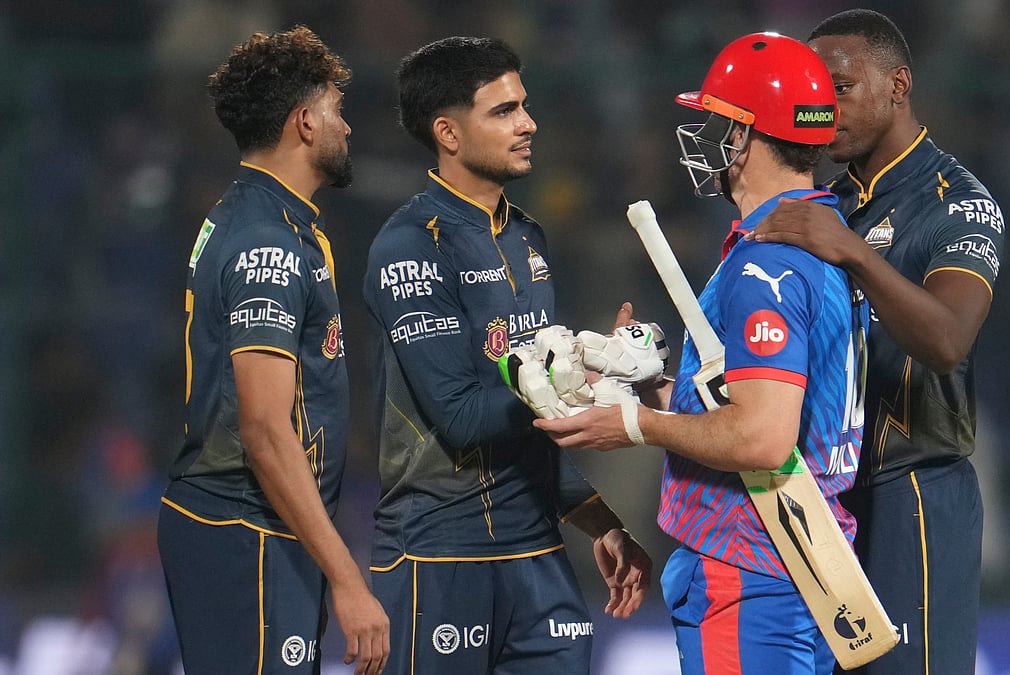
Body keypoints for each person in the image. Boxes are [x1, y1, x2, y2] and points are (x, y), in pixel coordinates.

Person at [536, 32, 869, 675]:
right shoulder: (817, 240)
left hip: (751, 571)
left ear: (745, 134)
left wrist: (633, 425)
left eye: (716, 119)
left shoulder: (765, 267)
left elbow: (764, 440)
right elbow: (756, 405)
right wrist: (651, 383)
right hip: (783, 563)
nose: (703, 134)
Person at [362, 36, 652, 674]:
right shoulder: (410, 246)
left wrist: (599, 519)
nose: (529, 123)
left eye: (524, 105)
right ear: (449, 133)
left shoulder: (527, 237)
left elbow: (538, 411)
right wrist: (582, 368)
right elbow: (464, 418)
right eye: (504, 111)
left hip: (537, 554)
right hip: (439, 556)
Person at [748, 9, 1006, 673]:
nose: (821, 110)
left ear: (898, 85)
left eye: (839, 88)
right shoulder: (829, 205)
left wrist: (854, 254)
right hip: (823, 498)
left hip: (913, 495)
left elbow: (949, 339)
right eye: (812, 94)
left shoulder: (958, 203)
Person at [157, 26, 389, 675]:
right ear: (305, 122)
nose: (348, 127)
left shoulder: (264, 218)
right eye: (338, 111)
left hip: (251, 526)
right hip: (245, 528)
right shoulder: (269, 245)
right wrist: (347, 578)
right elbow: (263, 427)